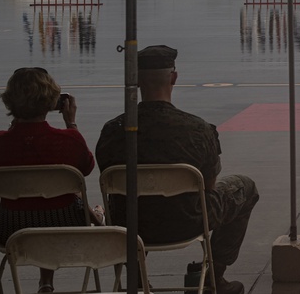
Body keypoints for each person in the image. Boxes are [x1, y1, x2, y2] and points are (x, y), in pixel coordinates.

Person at [95, 46, 258, 294]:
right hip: (188, 221)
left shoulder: (113, 131)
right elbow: (209, 187)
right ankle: (214, 274)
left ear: (137, 81)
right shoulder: (199, 130)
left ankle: (136, 278)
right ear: (173, 78)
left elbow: (110, 184)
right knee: (244, 187)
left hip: (131, 225)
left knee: (130, 201)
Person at [0, 68, 97, 294]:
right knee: (67, 194)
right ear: (52, 101)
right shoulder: (69, 140)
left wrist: (17, 124)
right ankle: (46, 281)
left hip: (12, 230)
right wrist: (71, 123)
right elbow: (86, 167)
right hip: (66, 227)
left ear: (9, 102)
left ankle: (45, 282)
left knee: (39, 198)